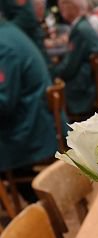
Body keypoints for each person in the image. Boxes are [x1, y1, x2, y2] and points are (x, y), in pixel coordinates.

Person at [0, 18, 59, 200]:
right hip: (41, 124)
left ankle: (39, 209)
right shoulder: (10, 32)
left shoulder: (3, 45)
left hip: (30, 132)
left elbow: (4, 103)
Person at [52, 0, 98, 116]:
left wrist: (52, 72)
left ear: (73, 6)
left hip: (86, 88)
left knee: (52, 88)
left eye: (63, 4)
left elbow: (69, 67)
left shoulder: (79, 30)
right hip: (94, 82)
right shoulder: (83, 25)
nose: (60, 9)